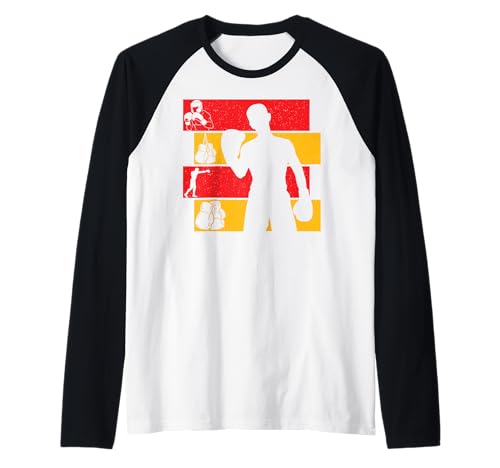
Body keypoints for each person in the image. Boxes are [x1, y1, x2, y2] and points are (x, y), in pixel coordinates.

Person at [222, 103, 312, 232]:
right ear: (251, 124)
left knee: (284, 236)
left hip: (275, 197)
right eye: (254, 119)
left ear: (268, 117)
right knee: (260, 237)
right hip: (261, 197)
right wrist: (230, 157)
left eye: (258, 118)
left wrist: (304, 196)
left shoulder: (281, 144)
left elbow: (298, 170)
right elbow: (241, 173)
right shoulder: (253, 147)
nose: (257, 122)